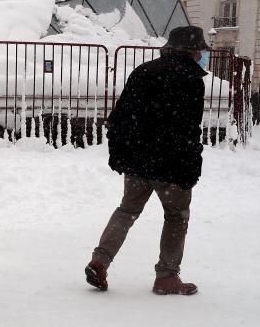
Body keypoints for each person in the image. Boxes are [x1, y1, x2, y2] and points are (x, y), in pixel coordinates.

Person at [85, 25, 210, 296]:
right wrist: (191, 166)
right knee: (176, 216)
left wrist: (121, 154)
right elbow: (189, 128)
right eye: (200, 49)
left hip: (138, 159)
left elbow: (120, 117)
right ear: (190, 50)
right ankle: (167, 277)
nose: (202, 54)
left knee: (127, 210)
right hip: (171, 164)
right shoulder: (191, 79)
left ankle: (100, 260)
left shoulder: (143, 71)